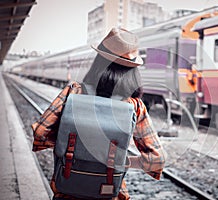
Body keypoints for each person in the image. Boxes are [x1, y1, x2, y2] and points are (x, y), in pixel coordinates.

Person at [31, 27, 166, 200]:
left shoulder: (73, 92)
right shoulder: (134, 106)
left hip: (67, 190)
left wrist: (68, 145)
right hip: (109, 194)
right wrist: (120, 161)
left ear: (98, 62)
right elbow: (157, 160)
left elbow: (40, 133)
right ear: (133, 71)